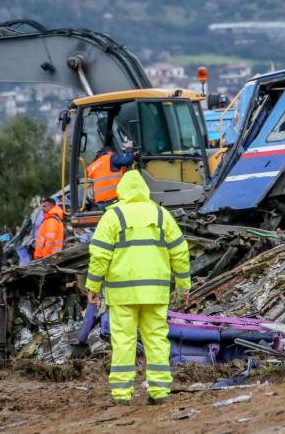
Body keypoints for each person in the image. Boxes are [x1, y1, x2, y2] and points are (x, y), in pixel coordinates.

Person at [85, 170, 190, 405]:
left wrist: (93, 285)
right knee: (156, 339)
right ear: (145, 190)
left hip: (123, 294)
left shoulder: (113, 216)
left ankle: (121, 395)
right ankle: (159, 392)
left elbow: (99, 255)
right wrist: (183, 285)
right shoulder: (162, 215)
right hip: (155, 292)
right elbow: (180, 252)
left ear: (121, 191)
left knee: (123, 341)